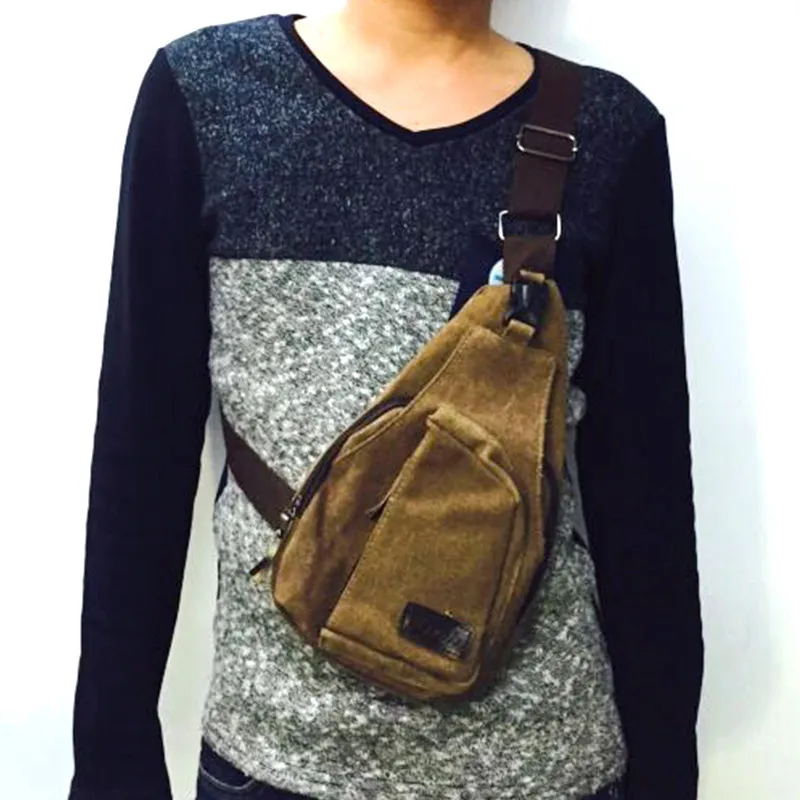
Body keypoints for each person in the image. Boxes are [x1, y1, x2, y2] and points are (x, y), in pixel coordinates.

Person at [68, 2, 704, 799]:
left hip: (546, 762)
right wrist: (112, 761)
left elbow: (644, 495)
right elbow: (142, 452)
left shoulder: (608, 129)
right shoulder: (207, 91)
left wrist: (666, 770)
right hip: (275, 756)